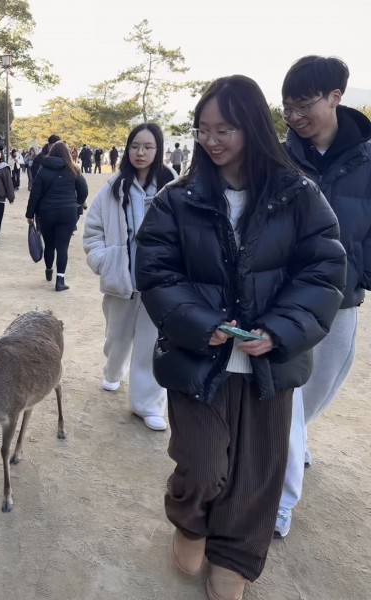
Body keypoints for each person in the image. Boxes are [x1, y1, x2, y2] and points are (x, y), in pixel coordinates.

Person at [135, 75, 345, 599]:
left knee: (256, 472)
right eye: (203, 129)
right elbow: (157, 273)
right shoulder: (176, 199)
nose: (211, 140)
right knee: (202, 462)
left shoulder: (299, 195)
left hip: (268, 365)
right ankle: (191, 525)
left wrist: (280, 330)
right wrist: (198, 324)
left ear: (252, 127)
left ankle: (235, 555)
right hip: (197, 358)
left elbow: (322, 271)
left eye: (224, 129)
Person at [275, 55, 371, 539]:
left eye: (304, 105)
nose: (294, 117)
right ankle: (279, 498)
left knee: (319, 389)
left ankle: (296, 438)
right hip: (286, 296)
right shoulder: (279, 156)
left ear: (336, 97)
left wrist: (361, 274)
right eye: (287, 108)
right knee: (284, 395)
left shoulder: (368, 159)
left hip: (342, 299)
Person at [83, 123, 175, 431]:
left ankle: (148, 405)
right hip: (120, 279)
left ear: (158, 149)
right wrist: (104, 260)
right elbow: (93, 229)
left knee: (151, 344)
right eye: (135, 146)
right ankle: (113, 371)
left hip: (158, 283)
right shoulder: (114, 186)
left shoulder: (171, 185)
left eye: (148, 147)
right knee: (117, 336)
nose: (140, 152)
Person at [26, 141, 88, 291]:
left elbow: (35, 195)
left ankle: (49, 271)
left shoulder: (43, 171)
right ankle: (60, 280)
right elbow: (84, 190)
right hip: (67, 212)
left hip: (47, 212)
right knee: (62, 246)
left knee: (49, 244)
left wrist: (30, 214)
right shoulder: (73, 170)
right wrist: (76, 203)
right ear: (67, 154)